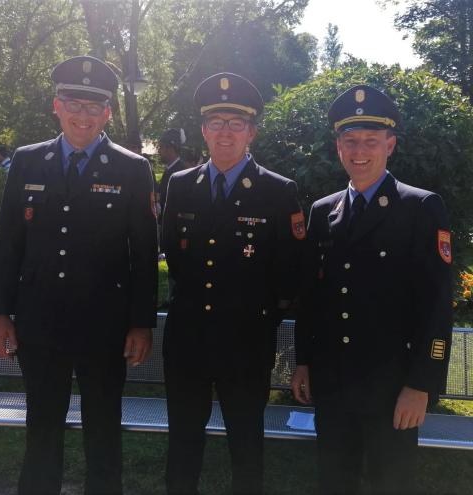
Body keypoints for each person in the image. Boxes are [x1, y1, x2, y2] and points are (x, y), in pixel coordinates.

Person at [0, 55, 158, 495]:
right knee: (42, 428)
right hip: (39, 323)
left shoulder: (133, 169)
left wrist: (142, 322)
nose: (83, 115)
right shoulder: (27, 162)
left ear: (107, 113)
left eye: (94, 107)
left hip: (104, 326)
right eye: (74, 104)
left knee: (103, 430)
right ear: (57, 106)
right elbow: (8, 242)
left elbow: (144, 253)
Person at [291, 85, 452, 495]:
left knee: (391, 483)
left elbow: (436, 305)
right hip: (333, 382)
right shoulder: (323, 211)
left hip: (392, 386)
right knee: (334, 481)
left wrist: (421, 385)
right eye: (350, 141)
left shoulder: (420, 207)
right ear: (338, 146)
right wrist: (305, 361)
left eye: (371, 141)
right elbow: (312, 297)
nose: (359, 150)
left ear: (390, 144)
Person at [162, 72, 305, 495]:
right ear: (204, 131)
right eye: (217, 123)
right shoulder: (180, 185)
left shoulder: (278, 192)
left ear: (251, 132)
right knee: (183, 445)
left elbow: (290, 272)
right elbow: (173, 252)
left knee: (246, 447)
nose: (225, 132)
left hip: (245, 342)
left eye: (236, 123)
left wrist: (259, 319)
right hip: (187, 341)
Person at [158, 127, 187, 226]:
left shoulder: (182, 171)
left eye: (161, 147)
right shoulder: (170, 169)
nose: (159, 150)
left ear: (170, 148)